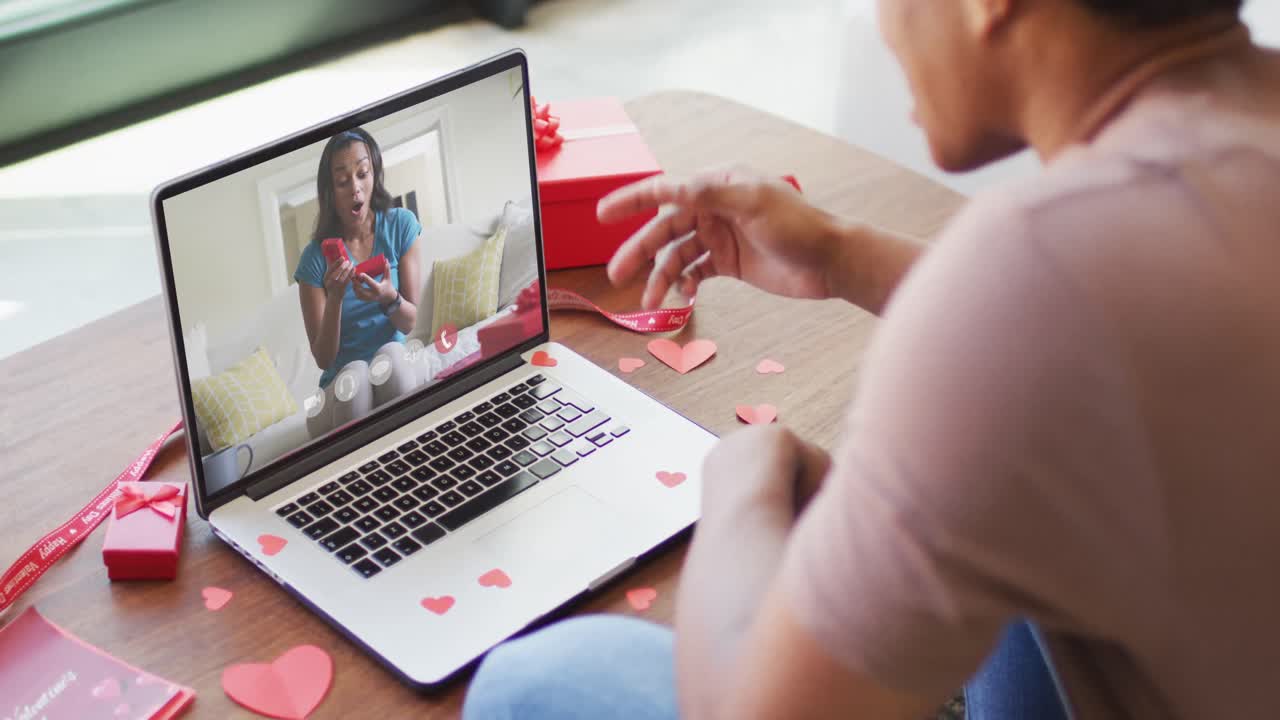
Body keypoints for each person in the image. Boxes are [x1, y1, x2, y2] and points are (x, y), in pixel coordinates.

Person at [463, 0, 1280, 718]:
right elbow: (1105, 327)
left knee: (533, 681)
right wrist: (839, 254)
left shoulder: (1036, 278)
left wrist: (745, 470)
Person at [294, 127, 423, 390]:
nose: (355, 187)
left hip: (392, 366)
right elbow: (323, 358)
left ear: (374, 174)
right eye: (342, 181)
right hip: (342, 385)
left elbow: (410, 323)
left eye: (362, 174)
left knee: (393, 362)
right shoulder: (313, 260)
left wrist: (389, 298)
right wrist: (336, 298)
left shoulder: (401, 225)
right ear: (330, 192)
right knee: (355, 381)